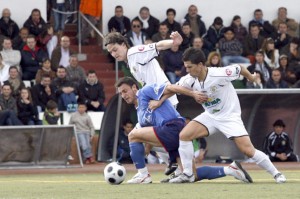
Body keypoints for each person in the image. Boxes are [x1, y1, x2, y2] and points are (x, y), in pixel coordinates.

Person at [166, 47, 286, 183]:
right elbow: (171, 88)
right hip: (211, 116)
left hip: (229, 117)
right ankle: (187, 174)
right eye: (186, 67)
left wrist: (252, 77)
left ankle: (277, 174)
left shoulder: (219, 74)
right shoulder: (189, 79)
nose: (187, 70)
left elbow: (240, 68)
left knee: (248, 150)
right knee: (184, 135)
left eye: (190, 67)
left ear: (200, 65)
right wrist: (159, 101)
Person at [116, 76, 252, 184]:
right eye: (121, 93)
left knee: (132, 135)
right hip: (172, 137)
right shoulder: (139, 113)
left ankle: (143, 175)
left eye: (125, 91)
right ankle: (230, 169)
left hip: (174, 128)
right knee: (192, 175)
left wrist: (192, 94)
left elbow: (172, 88)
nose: (123, 95)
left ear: (134, 87)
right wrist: (140, 154)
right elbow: (147, 141)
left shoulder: (145, 92)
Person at [104, 31, 181, 107]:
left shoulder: (135, 53)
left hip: (165, 101)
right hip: (157, 101)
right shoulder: (130, 60)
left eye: (115, 50)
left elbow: (157, 46)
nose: (114, 54)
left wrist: (173, 42)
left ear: (123, 45)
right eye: (110, 52)